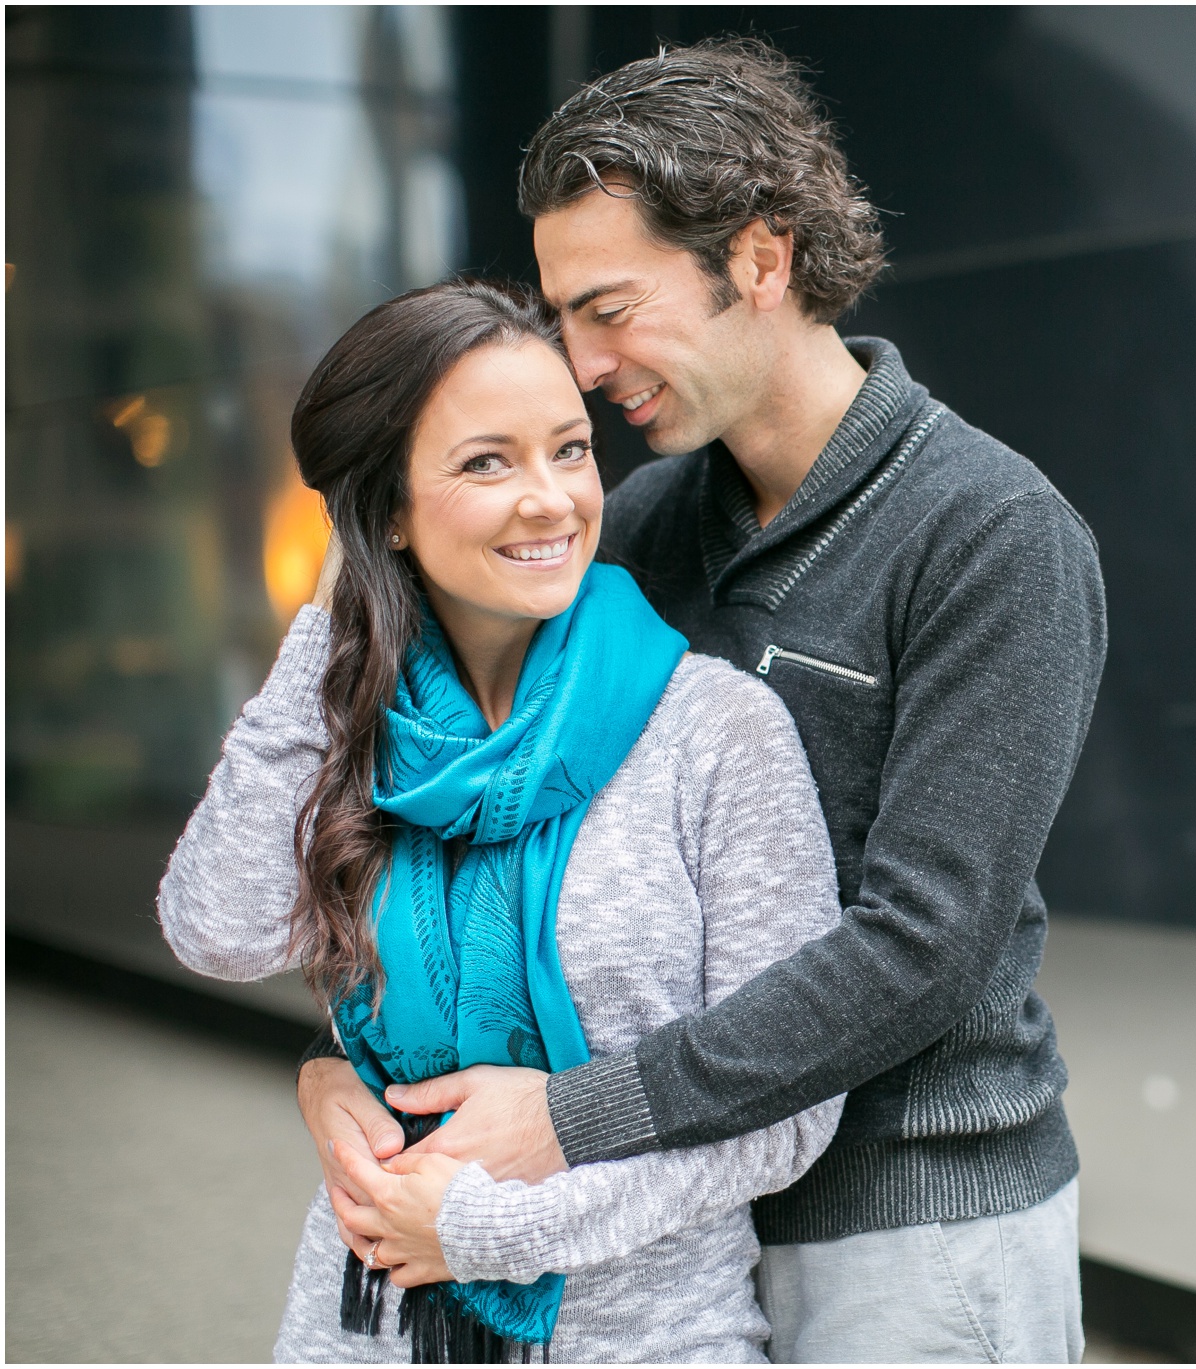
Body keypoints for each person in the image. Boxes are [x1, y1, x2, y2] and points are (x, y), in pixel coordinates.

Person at [294, 37, 1109, 1363]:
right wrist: (342, 1068)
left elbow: (925, 947)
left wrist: (569, 1117)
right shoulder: (633, 535)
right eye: (561, 315)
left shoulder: (993, 536)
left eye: (609, 306)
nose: (579, 360)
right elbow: (468, 835)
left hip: (908, 1230)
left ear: (763, 260)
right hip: (668, 1227)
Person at [158, 279, 846, 1362]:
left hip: (646, 1339)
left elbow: (788, 1110)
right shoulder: (349, 721)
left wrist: (489, 1228)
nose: (551, 499)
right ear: (387, 509)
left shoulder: (714, 733)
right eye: (487, 461)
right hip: (365, 1326)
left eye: (569, 450)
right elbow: (219, 929)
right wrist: (325, 647)